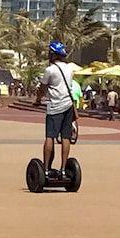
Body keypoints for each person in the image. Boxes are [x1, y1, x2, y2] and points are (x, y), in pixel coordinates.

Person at [35, 41, 76, 179]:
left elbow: (42, 88)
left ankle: (46, 169)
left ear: (52, 54)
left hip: (55, 106)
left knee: (50, 137)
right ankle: (63, 169)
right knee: (66, 137)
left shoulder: (50, 70)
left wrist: (38, 100)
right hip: (68, 106)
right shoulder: (69, 69)